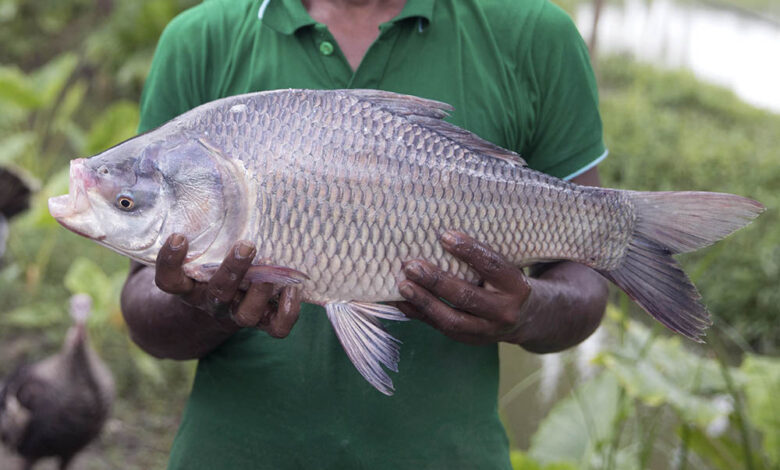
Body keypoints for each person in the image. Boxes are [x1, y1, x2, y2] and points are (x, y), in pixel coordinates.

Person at [120, 0, 609, 468]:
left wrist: (524, 313)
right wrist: (206, 306)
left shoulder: (536, 34)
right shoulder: (200, 39)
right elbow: (143, 304)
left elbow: (584, 283)